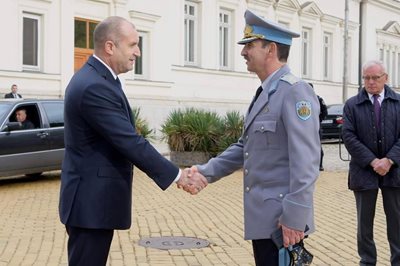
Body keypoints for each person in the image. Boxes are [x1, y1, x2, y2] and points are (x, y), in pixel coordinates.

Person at [59, 16, 207, 266]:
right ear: (110, 47)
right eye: (132, 45)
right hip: (89, 206)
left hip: (92, 204)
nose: (138, 52)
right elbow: (129, 142)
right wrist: (178, 176)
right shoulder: (94, 86)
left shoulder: (100, 79)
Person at [190, 10, 320, 265]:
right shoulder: (266, 93)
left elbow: (307, 162)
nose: (243, 52)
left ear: (270, 49)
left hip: (282, 222)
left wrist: (295, 217)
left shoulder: (295, 92)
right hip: (265, 219)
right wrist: (206, 172)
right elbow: (245, 147)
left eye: (249, 45)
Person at [342, 60, 400, 266]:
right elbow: (349, 137)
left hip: (394, 172)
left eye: (375, 77)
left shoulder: (398, 102)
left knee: (397, 222)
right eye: (366, 78)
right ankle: (367, 262)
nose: (371, 82)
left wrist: (390, 160)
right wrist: (373, 161)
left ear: (386, 78)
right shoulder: (351, 105)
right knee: (364, 224)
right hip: (363, 171)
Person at [309, 83, 328, 171]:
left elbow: (325, 112)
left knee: (317, 146)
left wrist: (317, 120)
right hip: (305, 127)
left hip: (316, 127)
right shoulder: (301, 98)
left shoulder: (318, 99)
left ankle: (320, 165)